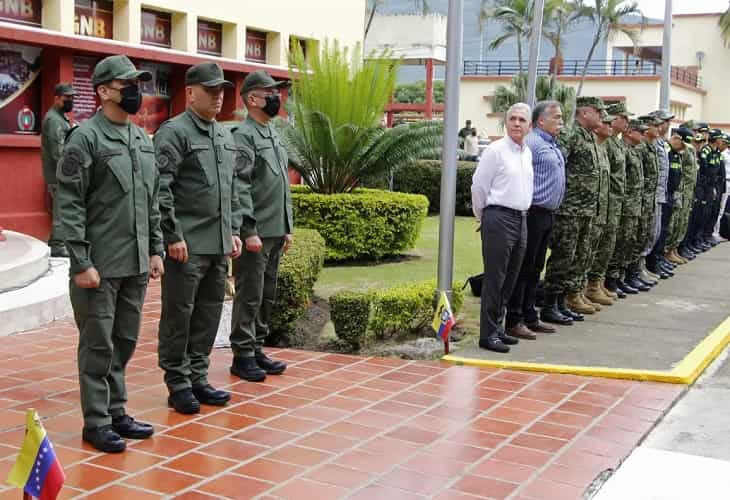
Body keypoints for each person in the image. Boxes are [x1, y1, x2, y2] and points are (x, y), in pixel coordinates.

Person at [56, 55, 164, 453]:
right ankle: (96, 422)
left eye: (138, 84)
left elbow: (151, 200)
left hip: (134, 262)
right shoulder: (84, 138)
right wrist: (81, 262)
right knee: (98, 344)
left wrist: (155, 249)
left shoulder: (140, 139)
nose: (136, 92)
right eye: (127, 85)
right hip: (99, 266)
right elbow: (69, 203)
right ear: (103, 91)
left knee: (124, 340)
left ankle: (117, 411)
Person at [155, 63, 243, 414]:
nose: (218, 96)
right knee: (180, 314)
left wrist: (234, 229)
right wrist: (172, 235)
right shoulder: (174, 132)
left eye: (221, 90)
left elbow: (233, 187)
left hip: (218, 244)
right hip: (186, 246)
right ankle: (177, 382)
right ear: (191, 92)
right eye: (211, 90)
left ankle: (198, 375)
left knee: (208, 314)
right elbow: (161, 189)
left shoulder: (223, 134)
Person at [230, 70, 292, 380]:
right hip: (256, 233)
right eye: (270, 93)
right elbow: (240, 187)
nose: (276, 98)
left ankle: (256, 346)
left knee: (267, 293)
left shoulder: (271, 133)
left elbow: (281, 185)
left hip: (275, 230)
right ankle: (242, 354)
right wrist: (248, 230)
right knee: (250, 293)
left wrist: (287, 226)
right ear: (252, 99)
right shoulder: (244, 136)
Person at [471, 103, 533, 353]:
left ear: (529, 126)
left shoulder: (526, 152)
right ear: (506, 123)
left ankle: (498, 328)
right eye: (513, 119)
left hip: (521, 218)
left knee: (511, 278)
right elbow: (479, 187)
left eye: (522, 120)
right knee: (495, 279)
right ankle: (487, 335)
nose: (517, 123)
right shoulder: (495, 151)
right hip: (498, 217)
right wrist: (482, 216)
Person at [507, 100, 566, 336]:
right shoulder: (532, 143)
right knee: (524, 267)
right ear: (541, 120)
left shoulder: (551, 144)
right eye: (557, 118)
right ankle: (514, 318)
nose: (561, 122)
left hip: (547, 214)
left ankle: (531, 315)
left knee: (535, 268)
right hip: (532, 213)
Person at [542, 96, 604, 319]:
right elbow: (557, 167)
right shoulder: (571, 135)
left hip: (585, 210)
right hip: (569, 210)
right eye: (598, 111)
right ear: (585, 112)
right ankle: (550, 305)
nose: (602, 116)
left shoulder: (587, 136)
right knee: (563, 257)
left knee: (579, 256)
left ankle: (565, 300)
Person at [584, 112, 615, 306]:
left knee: (599, 248)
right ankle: (581, 290)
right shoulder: (591, 146)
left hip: (603, 207)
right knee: (585, 251)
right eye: (606, 123)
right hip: (588, 209)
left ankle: (594, 285)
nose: (609, 126)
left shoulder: (602, 148)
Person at [41, 83, 76, 258]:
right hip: (58, 174)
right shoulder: (54, 120)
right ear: (57, 98)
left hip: (60, 173)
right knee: (60, 210)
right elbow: (58, 152)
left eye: (72, 98)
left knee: (61, 207)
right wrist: (69, 172)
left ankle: (59, 242)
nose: (70, 101)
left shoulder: (61, 117)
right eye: (66, 98)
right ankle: (57, 245)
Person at [603, 102, 632, 299]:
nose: (627, 122)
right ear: (614, 119)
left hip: (619, 202)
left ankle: (606, 282)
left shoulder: (619, 144)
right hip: (607, 203)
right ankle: (597, 284)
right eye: (625, 117)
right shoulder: (606, 143)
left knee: (615, 243)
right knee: (602, 246)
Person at [614, 119, 647, 295]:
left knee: (629, 243)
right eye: (640, 132)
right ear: (629, 132)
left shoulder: (633, 151)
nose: (643, 135)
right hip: (624, 206)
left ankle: (623, 276)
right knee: (620, 244)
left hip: (634, 206)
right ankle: (613, 280)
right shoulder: (623, 150)